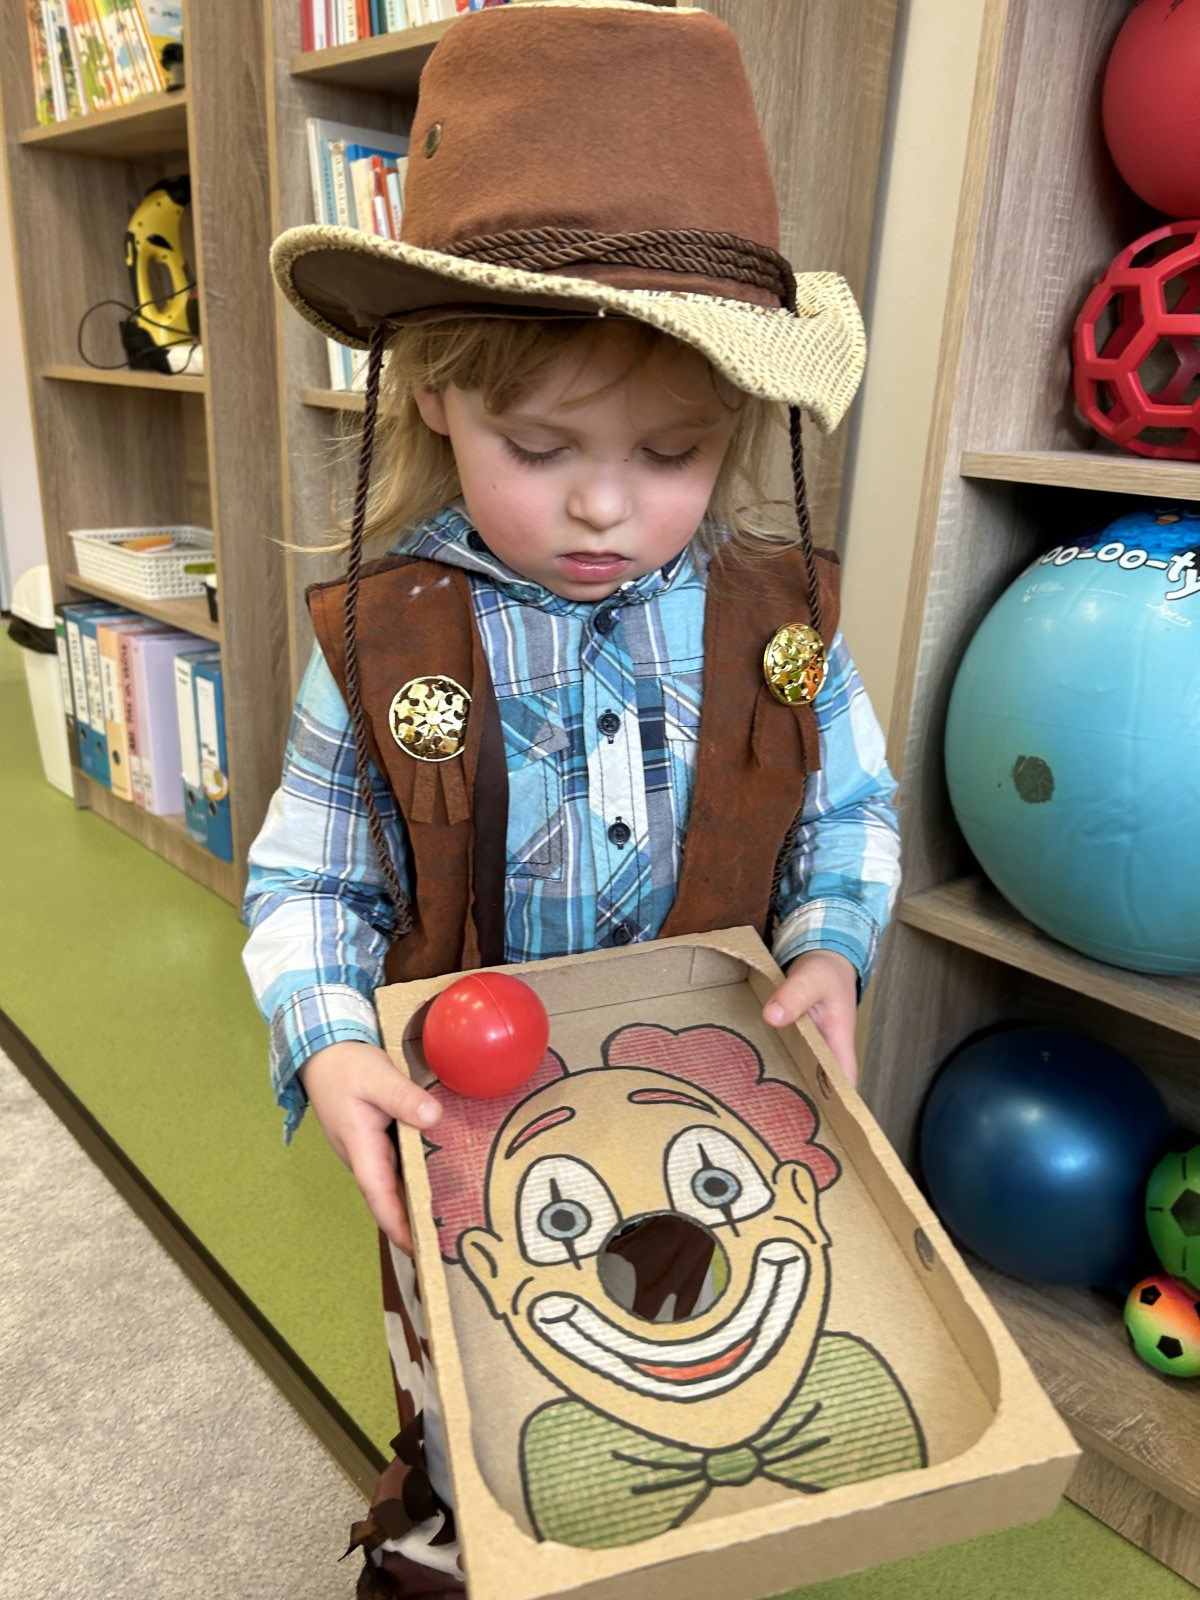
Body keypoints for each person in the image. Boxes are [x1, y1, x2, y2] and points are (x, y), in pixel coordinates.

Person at [243, 3, 900, 1593]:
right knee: (472, 1378)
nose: (606, 505)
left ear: (734, 424)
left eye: (672, 452)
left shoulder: (775, 624)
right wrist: (329, 1039)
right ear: (435, 398)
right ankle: (443, 1531)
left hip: (704, 1109)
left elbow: (847, 812)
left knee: (700, 1348)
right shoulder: (387, 637)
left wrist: (832, 939)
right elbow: (310, 884)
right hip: (467, 1139)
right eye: (540, 445)